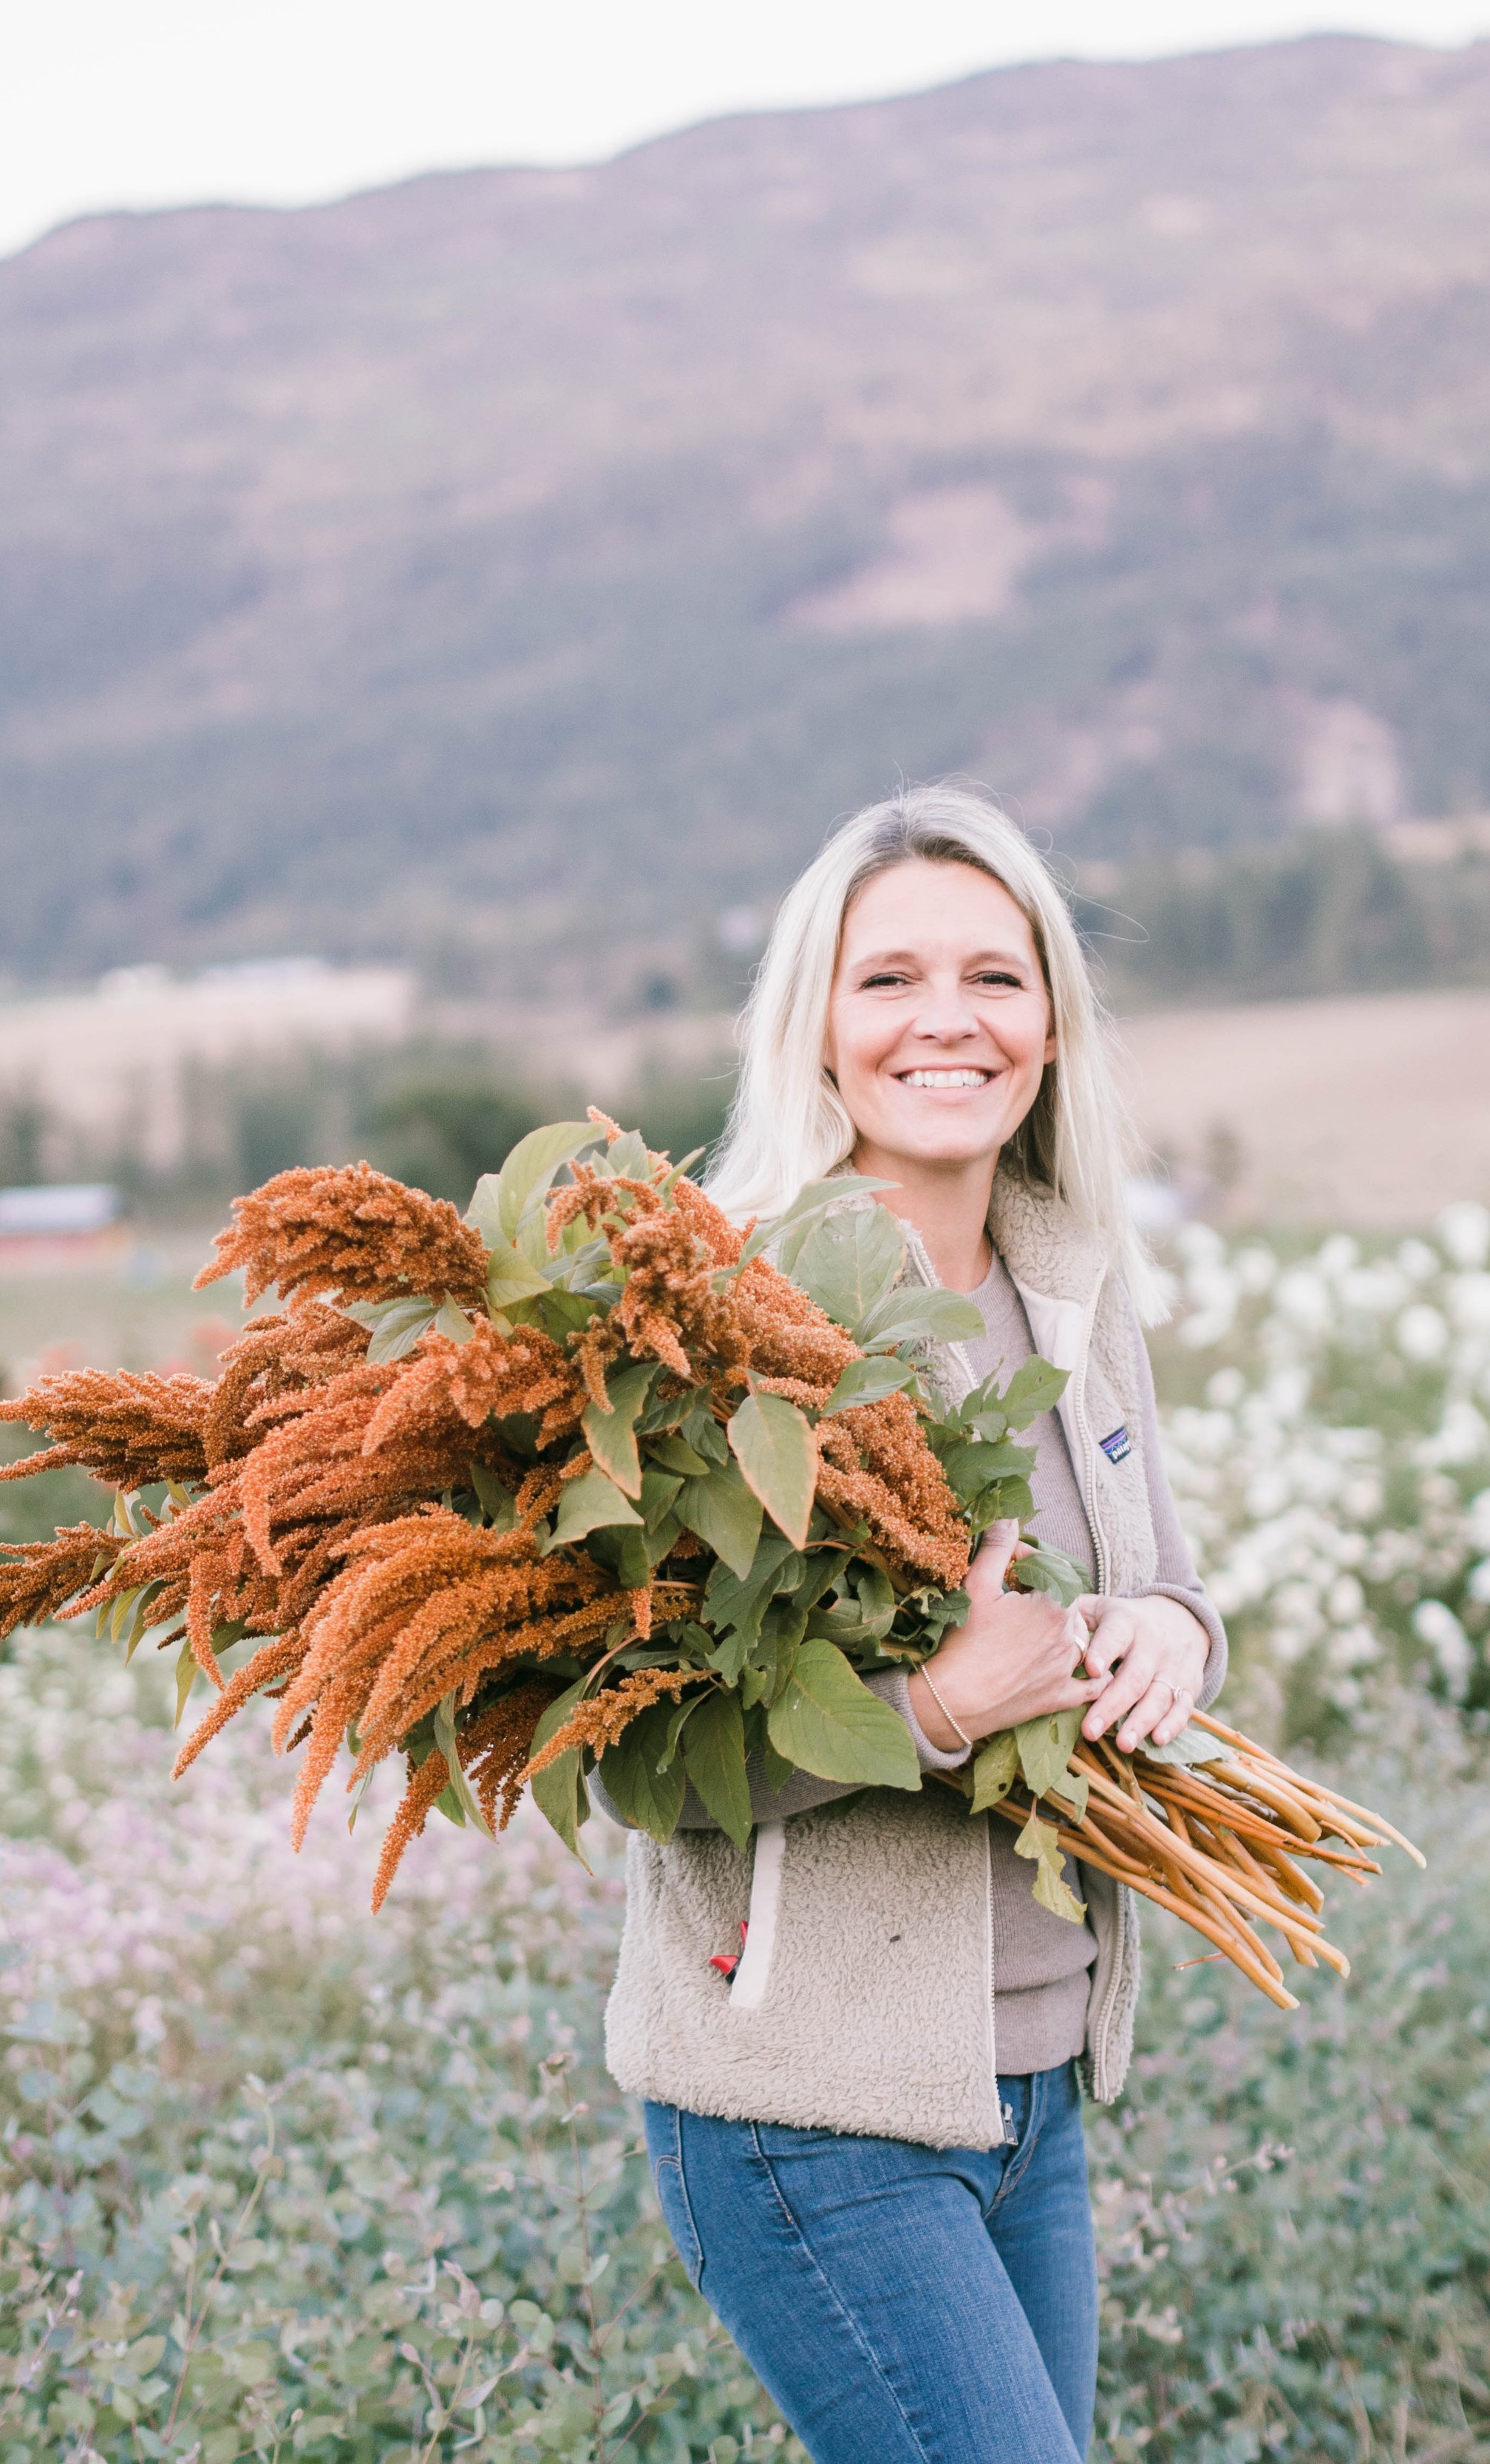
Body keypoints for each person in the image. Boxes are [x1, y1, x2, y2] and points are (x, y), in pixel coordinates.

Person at [599, 786, 1225, 2464]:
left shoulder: (1069, 1279)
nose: (945, 1019)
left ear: (1048, 1023)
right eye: (886, 980)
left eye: (992, 976)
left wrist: (1172, 1633)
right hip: (812, 2106)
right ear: (813, 1026)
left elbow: (1156, 1573)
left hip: (1035, 2089)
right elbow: (641, 1765)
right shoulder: (729, 1325)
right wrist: (937, 1707)